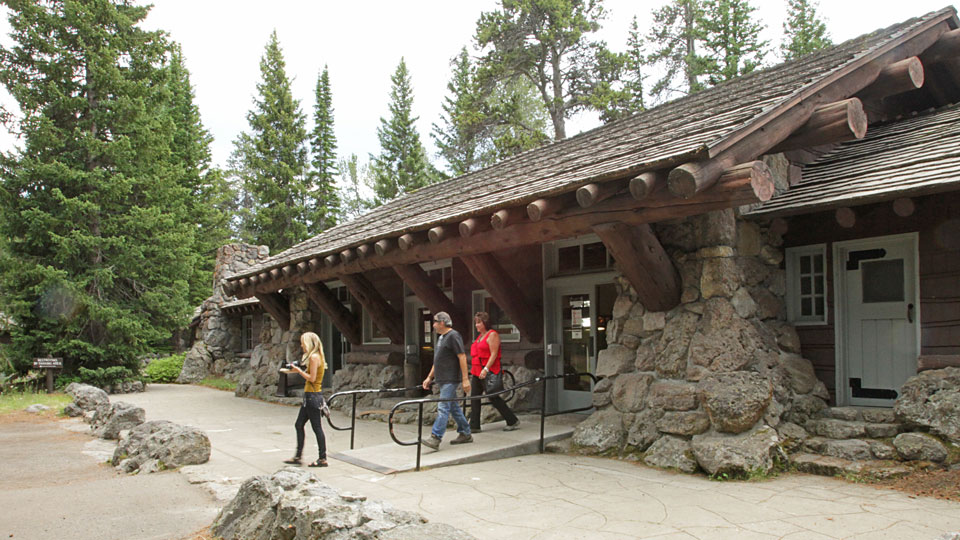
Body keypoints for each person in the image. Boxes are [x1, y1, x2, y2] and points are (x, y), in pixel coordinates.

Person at [421, 311, 472, 450]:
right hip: (442, 378)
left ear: (442, 323)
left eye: (435, 322)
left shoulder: (453, 336)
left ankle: (435, 437)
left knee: (443, 407)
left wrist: (465, 378)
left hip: (450, 378)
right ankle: (466, 432)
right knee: (454, 408)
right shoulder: (441, 338)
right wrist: (429, 377)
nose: (434, 325)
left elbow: (461, 356)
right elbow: (437, 361)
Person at [469, 312, 520, 432]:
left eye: (479, 322)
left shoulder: (492, 335)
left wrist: (486, 369)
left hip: (488, 370)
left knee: (493, 397)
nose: (476, 325)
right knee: (474, 398)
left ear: (485, 323)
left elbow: (494, 354)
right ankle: (474, 426)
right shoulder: (480, 336)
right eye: (476, 323)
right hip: (477, 371)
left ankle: (512, 420)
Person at [283, 331, 328, 467]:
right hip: (311, 396)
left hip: (312, 397)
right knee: (299, 424)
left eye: (303, 342)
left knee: (317, 427)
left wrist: (298, 371)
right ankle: (298, 456)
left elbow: (312, 378)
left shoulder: (314, 357)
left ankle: (322, 458)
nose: (302, 345)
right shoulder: (314, 356)